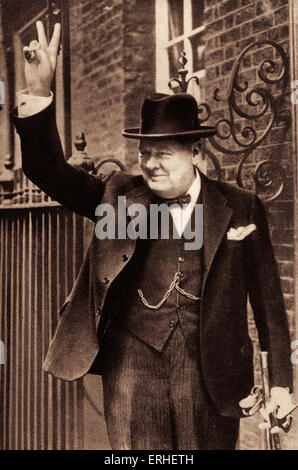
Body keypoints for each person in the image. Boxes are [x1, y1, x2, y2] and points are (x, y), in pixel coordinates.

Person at [13, 21, 294, 450]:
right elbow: (48, 171)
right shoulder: (117, 197)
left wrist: (280, 385)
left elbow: (269, 303)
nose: (151, 163)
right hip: (132, 369)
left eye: (164, 153)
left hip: (211, 373)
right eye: (145, 152)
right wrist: (39, 96)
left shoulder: (239, 206)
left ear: (195, 153)